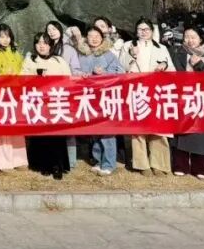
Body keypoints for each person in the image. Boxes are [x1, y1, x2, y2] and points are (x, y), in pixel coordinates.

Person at [120, 16, 175, 175]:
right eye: (140, 29)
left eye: (146, 29)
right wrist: (131, 55)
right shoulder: (128, 46)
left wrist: (164, 65)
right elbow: (121, 67)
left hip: (156, 91)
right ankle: (142, 164)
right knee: (138, 129)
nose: (143, 32)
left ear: (152, 31)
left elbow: (172, 70)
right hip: (136, 90)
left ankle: (159, 164)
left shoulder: (161, 48)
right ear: (136, 31)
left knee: (159, 128)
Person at [74, 25, 124, 176]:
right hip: (89, 97)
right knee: (95, 131)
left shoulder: (108, 54)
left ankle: (109, 163)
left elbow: (120, 72)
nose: (94, 39)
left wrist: (105, 73)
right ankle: (98, 160)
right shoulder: (82, 55)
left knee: (107, 132)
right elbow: (75, 70)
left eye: (97, 36)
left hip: (106, 97)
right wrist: (82, 74)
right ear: (86, 38)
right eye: (91, 36)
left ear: (102, 38)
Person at [21, 32, 72, 180]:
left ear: (50, 45)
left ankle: (57, 166)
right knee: (41, 136)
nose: (41, 46)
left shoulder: (59, 61)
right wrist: (35, 79)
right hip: (38, 103)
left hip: (55, 102)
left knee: (56, 136)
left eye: (45, 43)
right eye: (38, 43)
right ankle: (42, 165)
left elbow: (68, 80)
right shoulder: (30, 60)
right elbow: (22, 79)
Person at [171, 26, 204, 179]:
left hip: (201, 99)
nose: (189, 40)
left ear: (200, 39)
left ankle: (200, 167)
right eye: (187, 37)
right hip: (182, 98)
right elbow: (174, 73)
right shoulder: (178, 54)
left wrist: (198, 65)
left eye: (193, 37)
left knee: (200, 134)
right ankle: (180, 165)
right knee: (181, 132)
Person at [0, 24, 27, 172]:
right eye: (2, 36)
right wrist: (5, 75)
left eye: (8, 36)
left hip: (16, 93)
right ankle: (3, 162)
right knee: (3, 127)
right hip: (1, 94)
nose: (5, 39)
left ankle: (19, 159)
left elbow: (22, 69)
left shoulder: (15, 52)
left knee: (16, 126)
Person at [46, 20, 80, 169]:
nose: (52, 32)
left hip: (65, 92)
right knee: (51, 127)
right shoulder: (46, 47)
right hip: (49, 93)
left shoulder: (69, 49)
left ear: (60, 30)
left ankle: (71, 161)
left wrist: (79, 76)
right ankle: (54, 159)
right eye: (49, 30)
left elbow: (75, 68)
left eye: (54, 29)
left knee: (68, 127)